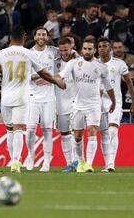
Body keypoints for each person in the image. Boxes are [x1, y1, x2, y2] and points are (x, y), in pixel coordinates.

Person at [0, 26, 65, 173]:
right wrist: (57, 82)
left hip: (6, 97)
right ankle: (16, 162)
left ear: (10, 38)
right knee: (19, 130)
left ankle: (13, 161)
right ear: (24, 37)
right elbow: (44, 74)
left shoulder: (1, 53)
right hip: (23, 96)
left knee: (9, 130)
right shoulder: (29, 53)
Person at [57, 39, 116, 173]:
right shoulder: (73, 63)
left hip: (94, 105)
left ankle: (89, 164)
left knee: (92, 131)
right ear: (81, 50)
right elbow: (60, 76)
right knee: (77, 136)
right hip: (77, 105)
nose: (87, 51)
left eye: (90, 49)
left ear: (94, 50)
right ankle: (81, 161)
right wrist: (42, 77)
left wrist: (114, 101)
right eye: (85, 49)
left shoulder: (101, 67)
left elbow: (108, 87)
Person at [98, 38, 134, 172]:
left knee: (113, 131)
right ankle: (106, 162)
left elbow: (129, 83)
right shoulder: (93, 64)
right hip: (98, 103)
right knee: (104, 134)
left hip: (115, 102)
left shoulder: (119, 64)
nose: (102, 48)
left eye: (105, 46)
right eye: (100, 46)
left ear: (110, 49)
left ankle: (111, 163)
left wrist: (133, 103)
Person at [26, 27, 59, 172]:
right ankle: (30, 156)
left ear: (47, 37)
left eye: (43, 34)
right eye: (38, 34)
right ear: (34, 37)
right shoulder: (28, 54)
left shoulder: (53, 51)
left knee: (47, 130)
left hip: (49, 97)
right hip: (32, 97)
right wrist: (40, 76)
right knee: (30, 130)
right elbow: (25, 75)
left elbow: (69, 53)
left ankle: (46, 162)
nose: (41, 36)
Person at [54, 37, 77, 172]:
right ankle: (69, 163)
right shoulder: (55, 62)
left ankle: (77, 161)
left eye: (66, 50)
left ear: (71, 47)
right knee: (64, 133)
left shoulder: (79, 60)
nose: (63, 53)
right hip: (60, 102)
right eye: (61, 50)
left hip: (76, 102)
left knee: (76, 134)